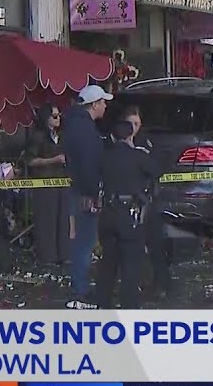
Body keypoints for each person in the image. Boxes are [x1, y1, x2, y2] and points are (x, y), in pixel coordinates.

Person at [93, 119, 163, 309]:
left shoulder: (104, 157)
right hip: (129, 215)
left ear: (114, 137)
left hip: (108, 213)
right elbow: (158, 171)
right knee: (131, 264)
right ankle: (128, 306)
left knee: (108, 262)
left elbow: (93, 178)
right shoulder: (138, 157)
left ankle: (102, 304)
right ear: (131, 136)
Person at [62, 84, 113, 310]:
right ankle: (81, 288)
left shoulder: (77, 126)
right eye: (103, 102)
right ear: (93, 104)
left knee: (83, 241)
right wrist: (95, 193)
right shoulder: (84, 130)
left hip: (79, 190)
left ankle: (80, 283)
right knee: (85, 241)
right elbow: (88, 165)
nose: (105, 105)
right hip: (86, 193)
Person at [24, 104, 68, 266]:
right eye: (54, 116)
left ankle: (63, 254)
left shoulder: (61, 135)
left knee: (62, 219)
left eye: (59, 116)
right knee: (47, 220)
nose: (58, 119)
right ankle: (47, 256)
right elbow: (30, 160)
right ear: (46, 119)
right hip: (44, 183)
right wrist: (53, 160)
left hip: (61, 181)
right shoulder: (38, 137)